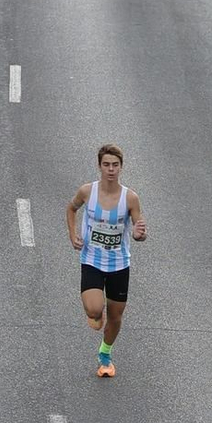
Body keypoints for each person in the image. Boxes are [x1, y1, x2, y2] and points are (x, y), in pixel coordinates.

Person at [67, 144, 147, 378]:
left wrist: (139, 234)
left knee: (116, 316)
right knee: (94, 310)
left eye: (115, 165)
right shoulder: (87, 192)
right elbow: (71, 209)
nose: (110, 169)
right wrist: (73, 235)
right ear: (99, 166)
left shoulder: (130, 198)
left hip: (119, 264)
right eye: (106, 165)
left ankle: (105, 354)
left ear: (121, 167)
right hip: (92, 259)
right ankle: (95, 312)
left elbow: (138, 230)